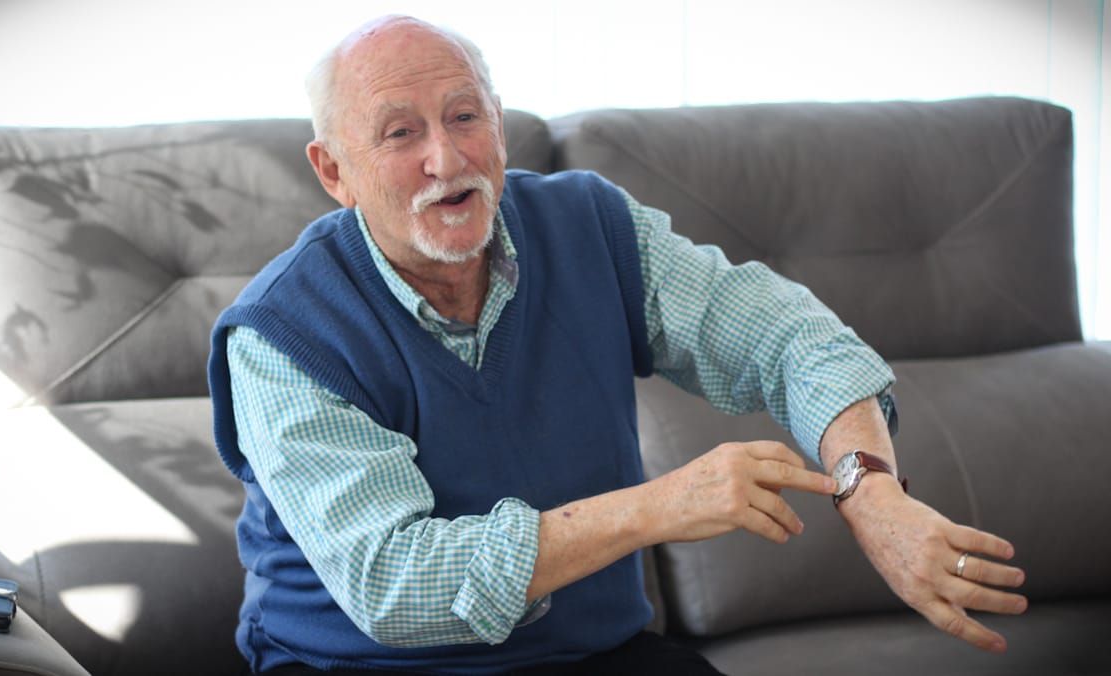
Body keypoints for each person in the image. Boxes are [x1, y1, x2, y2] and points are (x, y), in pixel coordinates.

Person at [207, 15, 1027, 675]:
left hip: (591, 656)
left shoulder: (589, 227)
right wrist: (659, 507)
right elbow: (397, 584)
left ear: (497, 124)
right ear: (334, 171)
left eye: (465, 116)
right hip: (358, 666)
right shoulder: (283, 333)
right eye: (398, 134)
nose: (445, 158)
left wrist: (870, 492)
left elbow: (785, 336)